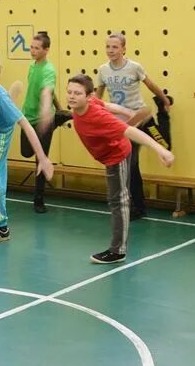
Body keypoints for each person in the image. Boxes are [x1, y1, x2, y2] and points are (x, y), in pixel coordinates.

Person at [67, 74, 174, 263]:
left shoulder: (97, 116)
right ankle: (118, 248)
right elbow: (109, 105)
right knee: (115, 199)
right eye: (69, 92)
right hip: (107, 153)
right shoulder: (85, 106)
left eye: (77, 93)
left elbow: (131, 131)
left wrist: (160, 150)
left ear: (89, 96)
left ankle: (118, 251)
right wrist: (128, 113)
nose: (72, 96)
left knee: (119, 201)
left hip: (117, 155)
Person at [0, 56, 53, 243]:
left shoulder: (0, 100)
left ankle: (1, 227)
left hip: (1, 131)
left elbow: (27, 127)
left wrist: (43, 158)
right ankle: (10, 97)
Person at [96, 33, 172, 219]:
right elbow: (97, 96)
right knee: (131, 165)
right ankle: (138, 206)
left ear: (123, 49)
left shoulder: (134, 67)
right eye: (108, 47)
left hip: (143, 118)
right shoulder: (103, 70)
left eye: (114, 47)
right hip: (125, 125)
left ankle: (162, 115)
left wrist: (164, 100)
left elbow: (151, 85)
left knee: (164, 145)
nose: (110, 50)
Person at [20, 31, 57, 213]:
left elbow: (47, 92)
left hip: (43, 120)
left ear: (46, 50)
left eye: (36, 48)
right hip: (27, 117)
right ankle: (60, 116)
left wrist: (46, 113)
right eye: (32, 47)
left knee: (40, 160)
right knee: (26, 152)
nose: (32, 51)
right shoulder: (32, 66)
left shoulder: (49, 70)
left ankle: (38, 199)